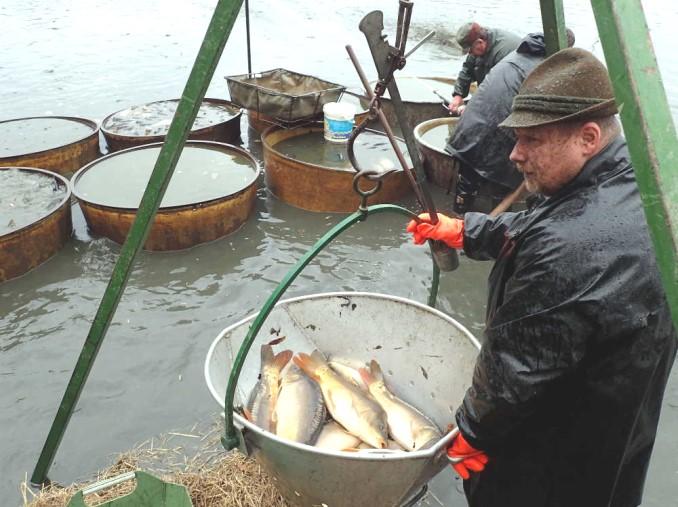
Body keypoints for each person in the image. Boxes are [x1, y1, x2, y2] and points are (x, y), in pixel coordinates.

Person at [407, 48, 677, 506]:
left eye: (531, 140)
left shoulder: (569, 250)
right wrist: (470, 230)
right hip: (619, 430)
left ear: (588, 137)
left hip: (553, 460)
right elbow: (553, 223)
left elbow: (518, 368)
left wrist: (472, 430)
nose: (515, 154)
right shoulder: (637, 178)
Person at [446, 30, 575, 214]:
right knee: (502, 185)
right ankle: (495, 227)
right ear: (565, 49)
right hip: (499, 131)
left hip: (471, 122)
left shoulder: (520, 51)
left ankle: (459, 217)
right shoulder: (549, 70)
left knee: (467, 180)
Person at [449, 22, 521, 114]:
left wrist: (474, 108)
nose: (470, 54)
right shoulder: (480, 43)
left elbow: (498, 92)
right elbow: (467, 70)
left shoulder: (503, 54)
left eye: (470, 50)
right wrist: (458, 95)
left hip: (518, 93)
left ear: (480, 42)